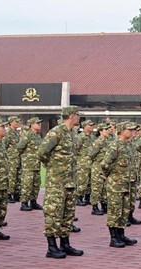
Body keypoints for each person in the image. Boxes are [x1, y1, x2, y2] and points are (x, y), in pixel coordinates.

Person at [38, 106, 83, 259]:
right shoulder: (56, 132)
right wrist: (52, 166)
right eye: (77, 115)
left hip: (70, 180)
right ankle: (51, 247)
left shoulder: (73, 134)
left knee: (68, 213)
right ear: (71, 116)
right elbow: (42, 152)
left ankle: (65, 243)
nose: (79, 117)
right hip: (57, 181)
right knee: (54, 212)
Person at [102, 122, 139, 247]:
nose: (132, 132)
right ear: (122, 131)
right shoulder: (115, 145)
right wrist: (111, 176)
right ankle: (113, 238)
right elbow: (105, 164)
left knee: (124, 210)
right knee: (115, 210)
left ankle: (121, 235)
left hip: (128, 184)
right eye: (130, 130)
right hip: (116, 184)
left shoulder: (129, 145)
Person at [17, 117, 43, 211]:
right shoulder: (27, 135)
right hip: (29, 164)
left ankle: (33, 202)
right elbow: (20, 147)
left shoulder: (38, 136)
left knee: (36, 184)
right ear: (31, 124)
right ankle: (24, 203)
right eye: (37, 123)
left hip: (36, 164)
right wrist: (25, 158)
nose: (39, 125)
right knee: (27, 184)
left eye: (39, 123)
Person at [75, 120, 96, 206]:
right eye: (90, 125)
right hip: (83, 162)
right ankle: (79, 197)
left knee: (90, 181)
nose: (92, 127)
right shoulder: (81, 137)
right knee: (82, 180)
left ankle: (87, 197)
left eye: (92, 125)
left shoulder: (92, 137)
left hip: (91, 162)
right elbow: (76, 148)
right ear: (85, 126)